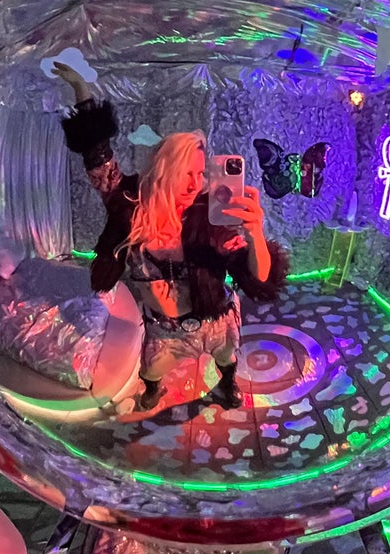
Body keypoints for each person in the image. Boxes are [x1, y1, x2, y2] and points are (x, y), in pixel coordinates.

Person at [53, 62, 287, 412]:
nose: (195, 184)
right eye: (185, 173)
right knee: (151, 372)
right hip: (164, 330)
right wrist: (81, 91)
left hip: (215, 320)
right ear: (164, 170)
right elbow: (98, 158)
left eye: (200, 174)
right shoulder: (131, 205)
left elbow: (260, 276)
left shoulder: (211, 216)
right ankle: (154, 390)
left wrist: (255, 233)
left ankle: (226, 384)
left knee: (227, 358)